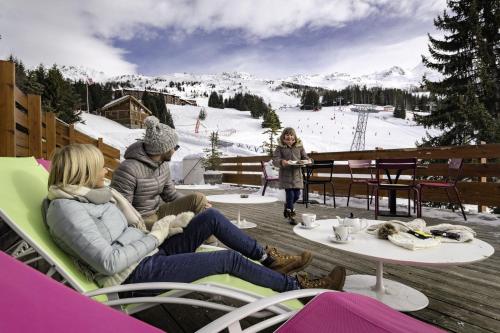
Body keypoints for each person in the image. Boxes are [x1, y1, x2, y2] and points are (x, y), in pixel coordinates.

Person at [44, 144, 346, 293]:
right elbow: (108, 263)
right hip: (136, 274)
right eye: (99, 168)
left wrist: (159, 234)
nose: (105, 172)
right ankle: (298, 288)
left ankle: (268, 259)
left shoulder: (96, 195)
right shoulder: (65, 210)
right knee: (228, 260)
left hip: (151, 252)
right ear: (81, 173)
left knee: (210, 217)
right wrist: (157, 233)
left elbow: (129, 227)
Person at [111, 116, 208, 230]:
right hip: (140, 221)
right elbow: (122, 211)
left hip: (158, 213)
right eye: (175, 147)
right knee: (182, 226)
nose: (175, 150)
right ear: (164, 149)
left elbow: (171, 195)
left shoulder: (162, 164)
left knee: (199, 199)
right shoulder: (128, 170)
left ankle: (209, 245)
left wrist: (198, 205)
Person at [273, 127, 311, 225]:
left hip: (297, 176)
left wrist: (307, 160)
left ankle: (287, 206)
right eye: (287, 135)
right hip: (286, 176)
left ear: (294, 137)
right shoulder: (280, 148)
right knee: (290, 195)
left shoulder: (299, 147)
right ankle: (291, 214)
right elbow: (275, 160)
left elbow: (305, 157)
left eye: (291, 135)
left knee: (297, 195)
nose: (289, 137)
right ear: (283, 137)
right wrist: (282, 162)